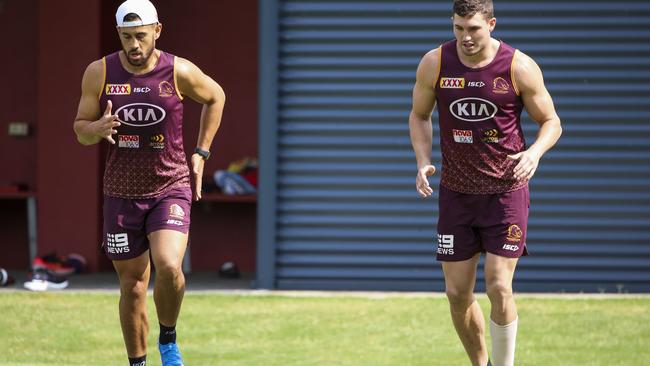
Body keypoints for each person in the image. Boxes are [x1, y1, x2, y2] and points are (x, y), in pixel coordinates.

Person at [408, 1, 562, 365]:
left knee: (498, 284)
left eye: (473, 28)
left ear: (491, 24)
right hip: (456, 194)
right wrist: (423, 162)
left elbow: (552, 121)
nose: (465, 37)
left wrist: (534, 153)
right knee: (456, 292)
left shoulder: (518, 66)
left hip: (505, 193)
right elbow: (418, 115)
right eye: (458, 28)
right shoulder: (435, 63)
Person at [73, 1, 225, 365]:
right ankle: (137, 362)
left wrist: (201, 153)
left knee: (170, 265)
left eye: (141, 36)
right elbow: (80, 129)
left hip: (169, 186)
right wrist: (95, 129)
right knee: (133, 286)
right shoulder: (100, 72)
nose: (134, 45)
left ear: (157, 30)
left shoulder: (178, 70)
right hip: (121, 194)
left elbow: (215, 96)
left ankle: (168, 340)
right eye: (126, 37)